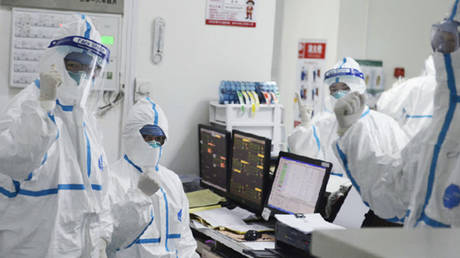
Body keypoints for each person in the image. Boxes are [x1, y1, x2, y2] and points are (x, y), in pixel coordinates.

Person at [332, 3, 460, 227]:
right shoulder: (443, 129)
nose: (443, 47)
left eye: (451, 39)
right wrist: (352, 132)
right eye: (442, 37)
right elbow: (394, 189)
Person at [0, 15, 113, 256]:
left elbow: (99, 194)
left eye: (91, 69)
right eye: (74, 65)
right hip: (32, 247)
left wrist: (102, 238)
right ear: (55, 61)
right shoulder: (25, 108)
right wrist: (43, 107)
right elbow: (17, 160)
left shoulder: (87, 122)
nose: (83, 76)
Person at [288, 57, 409, 226]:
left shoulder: (385, 125)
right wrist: (305, 129)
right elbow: (307, 164)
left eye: (345, 87)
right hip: (325, 205)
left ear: (358, 88)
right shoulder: (323, 123)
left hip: (370, 208)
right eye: (333, 88)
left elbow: (396, 175)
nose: (338, 93)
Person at [106, 97, 199, 257]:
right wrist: (139, 196)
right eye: (147, 137)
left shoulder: (172, 181)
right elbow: (110, 242)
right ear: (131, 135)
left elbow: (185, 242)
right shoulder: (110, 180)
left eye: (159, 139)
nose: (154, 144)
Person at [377, 56, 436, 138]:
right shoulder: (454, 88)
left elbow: (383, 106)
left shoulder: (414, 85)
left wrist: (397, 88)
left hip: (412, 144)